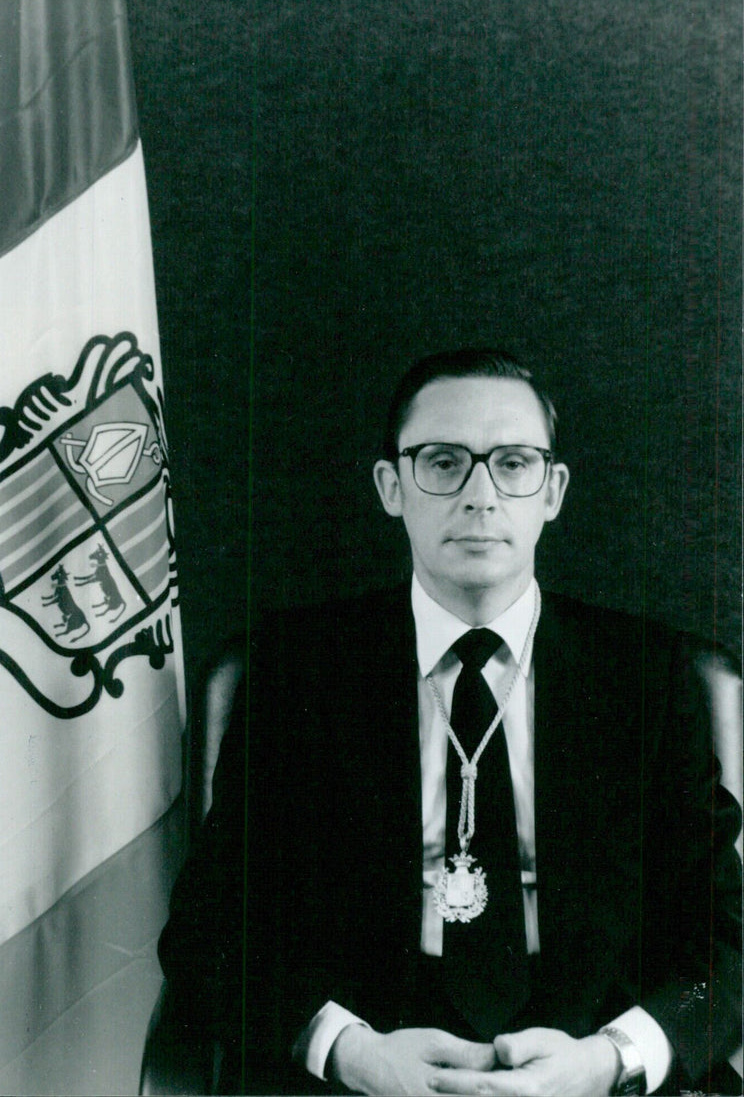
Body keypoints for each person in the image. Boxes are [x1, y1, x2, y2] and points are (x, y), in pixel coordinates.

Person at [159, 349, 742, 1096]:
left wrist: (611, 1058)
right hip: (364, 1072)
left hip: (591, 1065)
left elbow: (726, 946)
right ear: (391, 487)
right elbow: (210, 931)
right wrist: (348, 1050)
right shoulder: (296, 671)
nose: (480, 495)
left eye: (513, 463)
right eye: (442, 463)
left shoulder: (648, 678)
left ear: (552, 491)